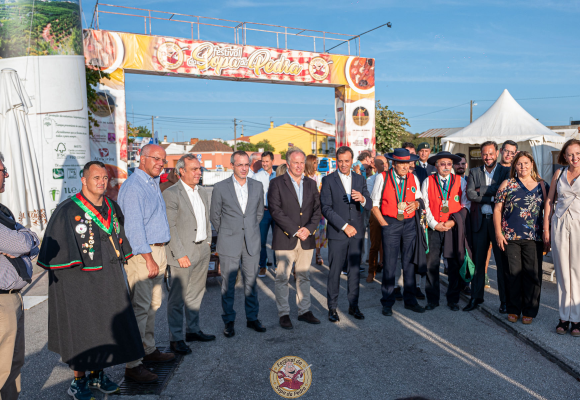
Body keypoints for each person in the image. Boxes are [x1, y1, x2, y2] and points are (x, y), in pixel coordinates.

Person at [38, 161, 149, 399]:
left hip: (109, 278)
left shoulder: (111, 205)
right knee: (82, 330)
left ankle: (98, 375)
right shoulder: (67, 210)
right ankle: (78, 380)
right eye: (96, 177)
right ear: (84, 180)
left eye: (104, 178)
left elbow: (120, 237)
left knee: (106, 328)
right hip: (79, 282)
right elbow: (55, 251)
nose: (101, 182)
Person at [118, 144, 176, 378]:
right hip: (144, 255)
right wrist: (149, 259)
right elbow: (133, 228)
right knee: (140, 308)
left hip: (156, 251)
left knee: (153, 305)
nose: (161, 163)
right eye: (156, 159)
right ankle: (133, 364)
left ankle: (148, 349)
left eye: (163, 160)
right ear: (142, 159)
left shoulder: (152, 183)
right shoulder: (134, 187)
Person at [210, 151, 266, 338]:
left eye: (246, 164)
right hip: (229, 242)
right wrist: (228, 232)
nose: (243, 168)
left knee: (251, 282)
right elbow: (214, 216)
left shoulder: (257, 186)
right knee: (229, 284)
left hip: (251, 240)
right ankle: (229, 321)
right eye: (239, 164)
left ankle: (252, 319)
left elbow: (259, 214)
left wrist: (247, 229)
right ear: (232, 165)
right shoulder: (220, 187)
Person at [164, 154, 215, 356]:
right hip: (182, 253)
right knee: (177, 298)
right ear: (181, 172)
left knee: (196, 293)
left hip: (202, 249)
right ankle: (176, 339)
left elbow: (206, 218)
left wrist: (208, 242)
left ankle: (192, 330)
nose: (198, 172)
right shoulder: (171, 193)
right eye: (194, 169)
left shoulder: (201, 192)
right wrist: (179, 254)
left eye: (199, 168)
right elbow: (170, 226)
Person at [0, 153, 40, 400]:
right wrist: (26, 239)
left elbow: (27, 243)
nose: (6, 174)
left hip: (13, 298)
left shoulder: (3, 210)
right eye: (1, 170)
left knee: (14, 365)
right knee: (2, 367)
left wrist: (27, 238)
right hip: (1, 302)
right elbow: (17, 242)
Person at [269, 148, 322, 329]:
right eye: (295, 162)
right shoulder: (276, 183)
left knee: (304, 276)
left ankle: (304, 310)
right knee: (282, 277)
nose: (299, 166)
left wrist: (308, 229)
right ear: (288, 164)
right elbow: (275, 211)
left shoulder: (311, 183)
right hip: (286, 238)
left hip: (306, 238)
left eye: (302, 162)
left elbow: (317, 210)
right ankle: (284, 313)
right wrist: (295, 230)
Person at [371, 148, 426, 316]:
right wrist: (384, 224)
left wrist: (416, 204)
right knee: (389, 264)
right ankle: (387, 302)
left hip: (409, 224)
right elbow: (374, 205)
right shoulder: (382, 177)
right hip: (391, 223)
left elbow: (420, 198)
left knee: (409, 264)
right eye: (401, 163)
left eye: (407, 163)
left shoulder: (413, 177)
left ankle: (410, 300)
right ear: (393, 163)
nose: (405, 166)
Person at [494, 152, 546, 324]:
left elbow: (549, 211)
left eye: (526, 163)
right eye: (519, 164)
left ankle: (529, 310)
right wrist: (498, 233)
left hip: (534, 237)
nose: (522, 167)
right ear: (514, 166)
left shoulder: (542, 185)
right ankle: (513, 309)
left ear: (532, 164)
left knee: (532, 274)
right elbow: (497, 210)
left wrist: (548, 234)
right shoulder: (507, 184)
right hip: (510, 237)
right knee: (512, 273)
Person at [321, 146, 372, 322]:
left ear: (352, 161)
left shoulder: (360, 179)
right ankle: (332, 308)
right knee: (334, 271)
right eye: (340, 161)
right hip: (337, 232)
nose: (343, 164)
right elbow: (326, 208)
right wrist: (344, 226)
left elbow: (370, 204)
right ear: (336, 161)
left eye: (347, 161)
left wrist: (363, 199)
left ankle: (353, 306)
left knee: (355, 271)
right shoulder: (328, 180)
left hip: (357, 232)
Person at [464, 141, 511, 313]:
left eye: (491, 153)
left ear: (497, 153)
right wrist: (493, 194)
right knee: (478, 263)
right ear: (481, 155)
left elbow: (504, 193)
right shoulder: (474, 171)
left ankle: (504, 302)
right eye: (485, 154)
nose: (488, 157)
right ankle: (476, 298)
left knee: (501, 264)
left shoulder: (506, 171)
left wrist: (481, 191)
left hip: (498, 224)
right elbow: (470, 194)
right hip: (480, 222)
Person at [421, 152, 471, 311]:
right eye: (442, 164)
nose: (446, 167)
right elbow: (425, 205)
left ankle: (453, 299)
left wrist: (451, 222)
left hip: (452, 229)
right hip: (434, 228)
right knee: (432, 264)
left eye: (449, 164)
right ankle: (432, 299)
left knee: (454, 265)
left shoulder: (460, 181)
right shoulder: (428, 181)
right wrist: (434, 224)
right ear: (436, 166)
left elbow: (465, 205)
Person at [544, 139, 580, 337]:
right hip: (559, 224)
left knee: (577, 271)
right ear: (564, 156)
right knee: (562, 271)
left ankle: (576, 318)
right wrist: (546, 228)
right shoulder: (559, 173)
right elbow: (550, 200)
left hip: (579, 226)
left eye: (578, 153)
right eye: (570, 154)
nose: (574, 158)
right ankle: (563, 317)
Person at [400, 142, 425, 298]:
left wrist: (417, 203)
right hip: (396, 218)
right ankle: (396, 285)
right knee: (396, 256)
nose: (409, 160)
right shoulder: (391, 174)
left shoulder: (422, 173)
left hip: (416, 218)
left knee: (415, 252)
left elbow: (423, 198)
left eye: (411, 156)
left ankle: (416, 286)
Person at [253, 151, 277, 277]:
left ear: (272, 161)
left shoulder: (278, 175)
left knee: (277, 240)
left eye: (267, 161)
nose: (265, 164)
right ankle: (262, 266)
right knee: (261, 241)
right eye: (263, 161)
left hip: (277, 212)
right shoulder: (257, 176)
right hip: (264, 212)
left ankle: (278, 266)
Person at [452, 153, 472, 296]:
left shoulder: (470, 180)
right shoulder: (450, 181)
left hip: (465, 222)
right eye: (458, 163)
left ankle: (465, 283)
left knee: (465, 254)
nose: (460, 166)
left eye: (463, 163)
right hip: (448, 222)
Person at [366, 156, 387, 282]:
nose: (384, 165)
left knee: (388, 244)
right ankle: (371, 270)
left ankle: (385, 266)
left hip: (390, 214)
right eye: (381, 162)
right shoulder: (371, 179)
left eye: (386, 162)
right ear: (374, 165)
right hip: (376, 213)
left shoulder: (392, 178)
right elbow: (371, 199)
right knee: (374, 244)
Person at [304, 154, 326, 266]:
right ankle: (306, 256)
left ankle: (318, 254)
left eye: (316, 162)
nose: (316, 164)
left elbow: (322, 191)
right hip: (305, 209)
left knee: (319, 232)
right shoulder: (303, 176)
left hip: (318, 208)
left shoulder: (319, 176)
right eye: (315, 162)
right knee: (307, 232)